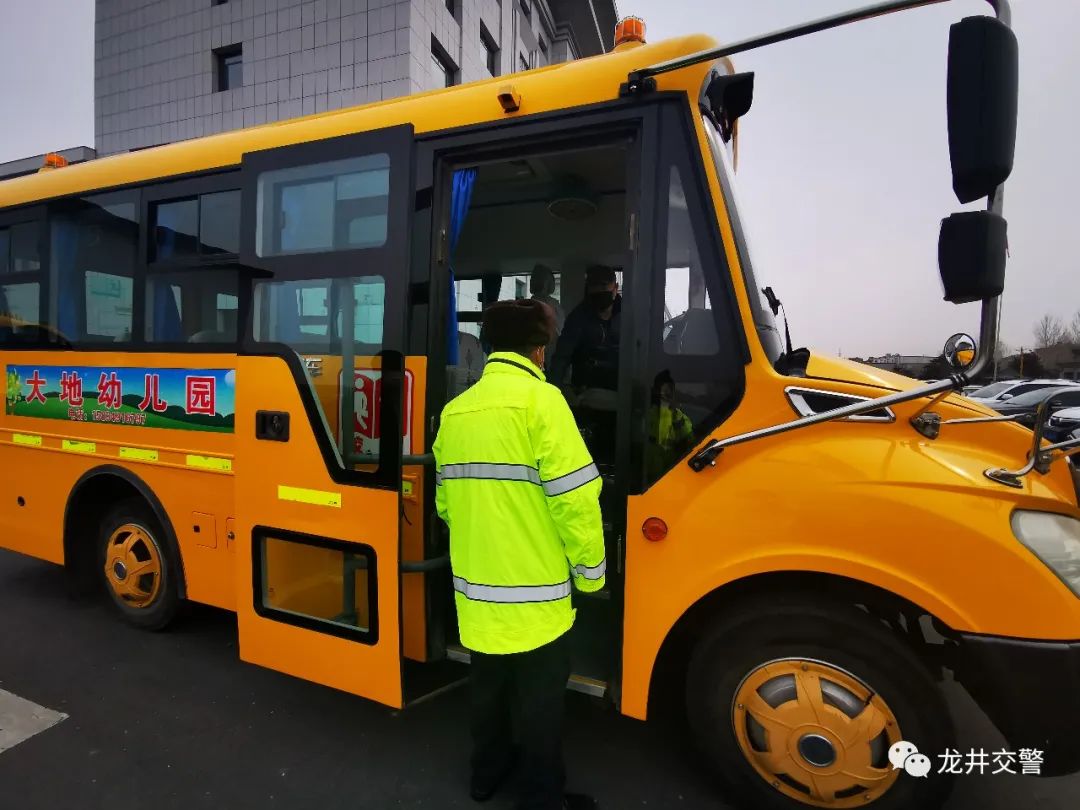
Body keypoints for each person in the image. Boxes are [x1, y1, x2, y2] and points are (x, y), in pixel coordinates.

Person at [433, 298, 605, 810]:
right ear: (540, 350)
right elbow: (576, 500)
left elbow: (446, 505)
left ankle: (484, 778)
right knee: (539, 705)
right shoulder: (543, 403)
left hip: (477, 595)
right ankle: (541, 797)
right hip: (538, 602)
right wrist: (591, 576)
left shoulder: (457, 410)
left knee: (487, 693)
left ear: (487, 345)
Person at [549, 265, 621, 395]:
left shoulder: (628, 315)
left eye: (603, 286)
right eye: (594, 287)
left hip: (620, 395)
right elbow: (561, 357)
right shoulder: (578, 317)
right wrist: (552, 393)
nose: (599, 292)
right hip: (585, 394)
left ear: (615, 288)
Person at [645, 370, 696, 481]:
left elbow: (691, 441)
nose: (665, 394)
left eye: (669, 391)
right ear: (655, 391)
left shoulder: (680, 417)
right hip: (647, 476)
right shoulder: (647, 414)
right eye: (661, 390)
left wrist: (675, 415)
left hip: (671, 474)